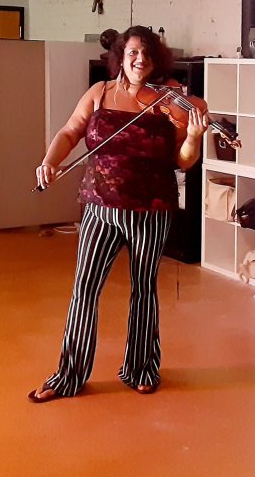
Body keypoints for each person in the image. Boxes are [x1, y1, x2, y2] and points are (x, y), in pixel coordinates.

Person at [29, 26, 209, 402]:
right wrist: (50, 160)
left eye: (147, 54)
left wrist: (193, 137)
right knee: (84, 289)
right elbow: (70, 131)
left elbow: (183, 161)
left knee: (144, 289)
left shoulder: (171, 102)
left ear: (156, 60)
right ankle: (68, 376)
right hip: (99, 206)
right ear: (121, 57)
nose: (140, 59)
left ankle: (142, 368)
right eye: (133, 52)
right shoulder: (100, 93)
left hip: (151, 209)